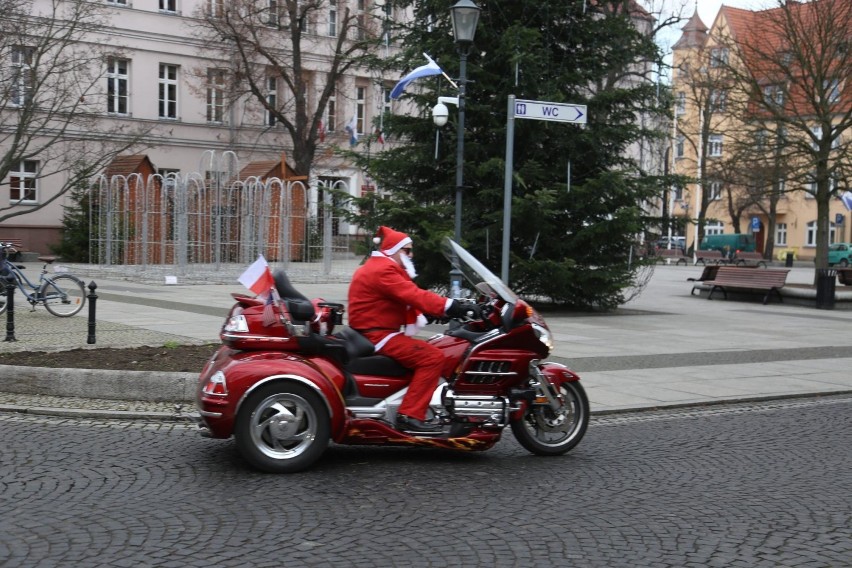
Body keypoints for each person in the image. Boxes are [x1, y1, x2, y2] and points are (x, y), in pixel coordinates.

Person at [347, 226, 476, 433]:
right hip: (378, 335)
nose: (411, 255)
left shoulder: (376, 266)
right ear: (393, 250)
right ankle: (410, 415)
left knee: (434, 348)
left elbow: (396, 300)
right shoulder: (383, 270)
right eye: (407, 250)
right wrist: (452, 306)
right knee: (433, 357)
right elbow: (413, 295)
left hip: (373, 331)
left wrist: (434, 313)